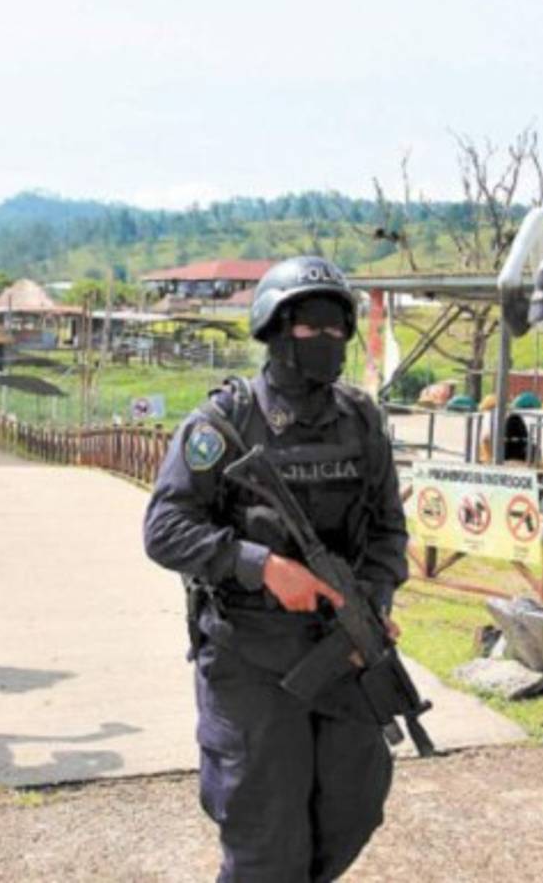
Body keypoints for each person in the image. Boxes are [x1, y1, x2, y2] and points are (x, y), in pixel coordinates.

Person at [143, 256, 409, 882]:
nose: (327, 341)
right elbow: (164, 529)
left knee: (354, 805)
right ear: (275, 330)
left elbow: (390, 531)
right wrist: (258, 566)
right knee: (266, 834)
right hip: (251, 661)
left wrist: (370, 603)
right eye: (310, 327)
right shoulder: (222, 424)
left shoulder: (361, 421)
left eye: (337, 329)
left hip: (342, 654)